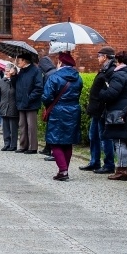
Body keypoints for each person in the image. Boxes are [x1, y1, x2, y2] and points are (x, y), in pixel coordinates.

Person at [98, 51, 127, 181]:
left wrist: (101, 92)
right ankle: (124, 167)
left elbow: (112, 94)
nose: (115, 64)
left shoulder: (120, 75)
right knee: (125, 141)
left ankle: (122, 169)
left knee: (119, 141)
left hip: (118, 111)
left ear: (121, 62)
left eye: (117, 61)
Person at [42, 52, 83, 181]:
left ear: (60, 63)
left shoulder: (54, 77)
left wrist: (47, 104)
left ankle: (63, 171)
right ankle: (64, 169)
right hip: (74, 110)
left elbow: (47, 96)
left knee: (55, 141)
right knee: (67, 141)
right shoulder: (78, 78)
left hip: (58, 111)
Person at [81, 46, 117, 173]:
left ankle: (109, 164)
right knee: (93, 136)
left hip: (102, 110)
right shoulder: (105, 69)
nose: (98, 58)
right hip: (96, 110)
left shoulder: (111, 71)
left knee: (104, 137)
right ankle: (94, 161)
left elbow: (109, 90)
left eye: (99, 56)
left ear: (105, 57)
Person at [11, 53, 44, 154]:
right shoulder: (21, 71)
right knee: (22, 125)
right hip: (21, 102)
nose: (17, 62)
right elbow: (16, 85)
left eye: (19, 60)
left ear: (25, 61)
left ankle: (32, 147)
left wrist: (29, 98)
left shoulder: (35, 71)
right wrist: (13, 75)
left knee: (31, 126)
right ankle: (23, 145)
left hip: (31, 104)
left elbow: (39, 87)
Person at [38, 56, 57, 159]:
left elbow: (46, 91)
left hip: (51, 104)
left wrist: (45, 102)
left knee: (50, 128)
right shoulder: (56, 71)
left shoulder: (48, 75)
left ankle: (49, 149)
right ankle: (48, 148)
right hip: (57, 104)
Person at [0, 63, 19, 151]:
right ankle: (6, 143)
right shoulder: (2, 81)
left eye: (8, 71)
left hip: (13, 106)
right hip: (3, 105)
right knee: (5, 127)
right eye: (5, 71)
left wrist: (12, 79)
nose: (6, 73)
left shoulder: (16, 81)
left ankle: (13, 145)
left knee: (13, 127)